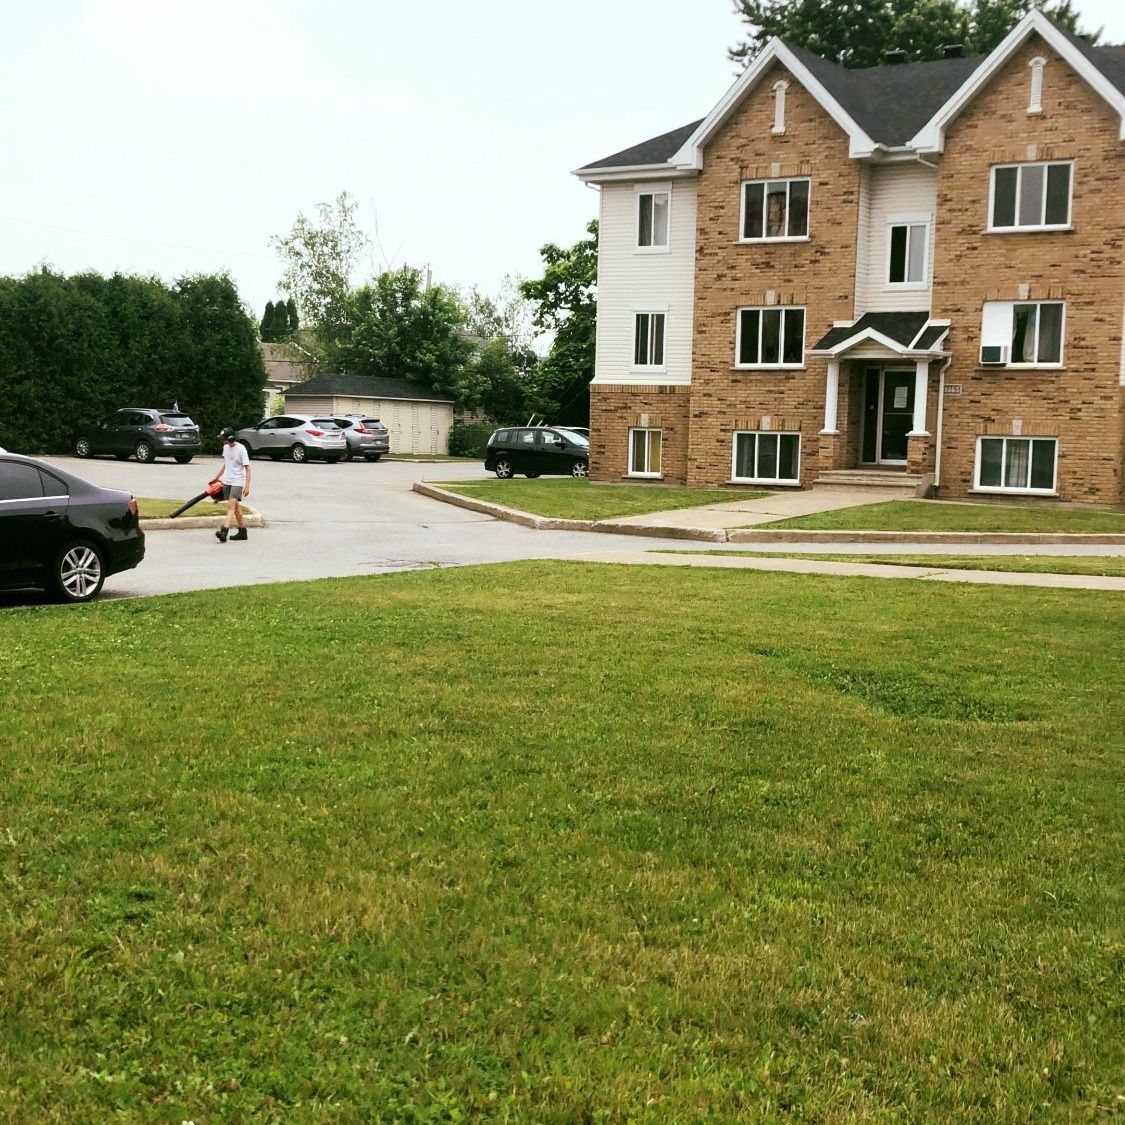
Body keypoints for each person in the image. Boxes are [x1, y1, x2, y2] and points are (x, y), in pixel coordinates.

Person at [210, 427, 252, 542]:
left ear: (231, 438)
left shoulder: (241, 449)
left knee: (231, 507)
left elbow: (248, 468)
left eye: (224, 439)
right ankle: (243, 532)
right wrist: (217, 477)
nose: (223, 441)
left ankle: (224, 531)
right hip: (227, 480)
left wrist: (247, 486)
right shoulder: (225, 448)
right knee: (236, 508)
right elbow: (226, 464)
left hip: (237, 481)